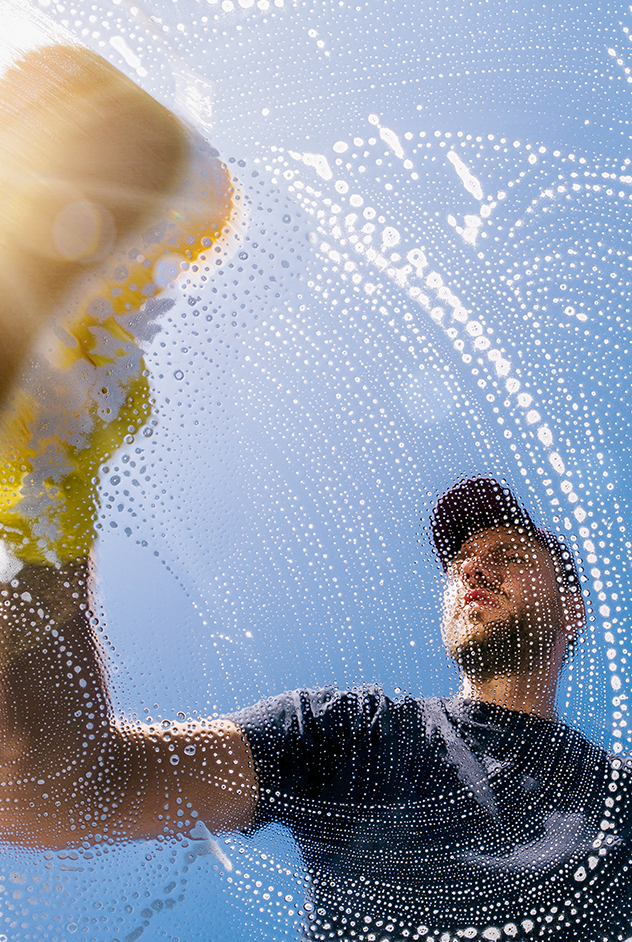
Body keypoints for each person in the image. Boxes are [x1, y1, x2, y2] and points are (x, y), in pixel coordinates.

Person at [0, 42, 630, 942]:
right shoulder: (354, 736)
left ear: (572, 606)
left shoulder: (621, 805)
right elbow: (39, 789)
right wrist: (44, 494)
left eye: (503, 554)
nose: (470, 570)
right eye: (459, 562)